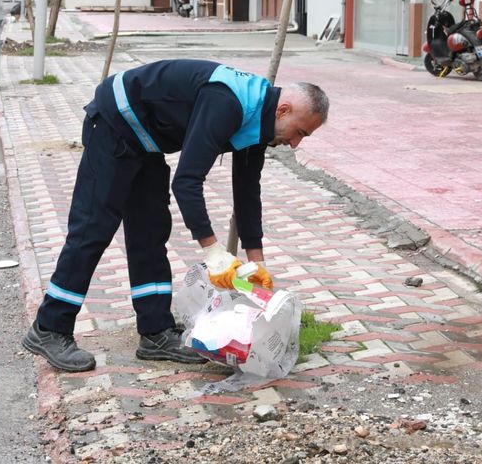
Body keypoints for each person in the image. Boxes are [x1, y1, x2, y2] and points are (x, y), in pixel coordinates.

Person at [22, 59, 329, 372]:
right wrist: (214, 254)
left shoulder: (258, 119)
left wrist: (257, 263)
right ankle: (49, 328)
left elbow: (247, 194)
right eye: (299, 132)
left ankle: (155, 332)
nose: (295, 143)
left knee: (150, 231)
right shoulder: (228, 102)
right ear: (283, 110)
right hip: (115, 123)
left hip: (146, 140)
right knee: (93, 228)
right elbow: (187, 182)